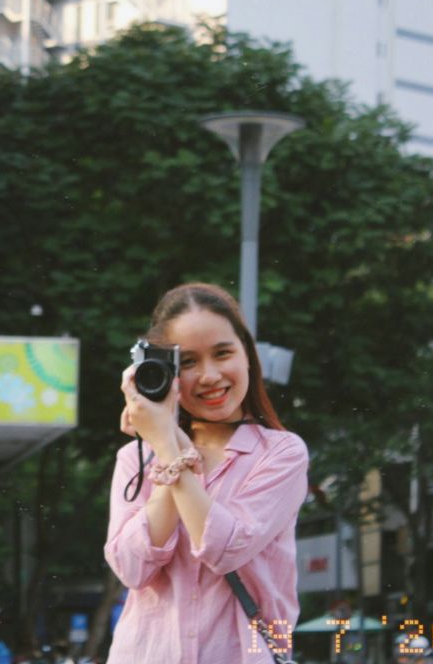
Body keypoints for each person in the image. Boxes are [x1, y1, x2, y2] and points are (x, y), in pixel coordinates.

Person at [105, 283, 310, 663]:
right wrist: (165, 446)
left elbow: (226, 550)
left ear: (247, 354)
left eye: (222, 353)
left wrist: (169, 448)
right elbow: (132, 570)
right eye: (188, 362)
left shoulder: (281, 453)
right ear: (163, 371)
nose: (210, 375)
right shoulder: (135, 460)